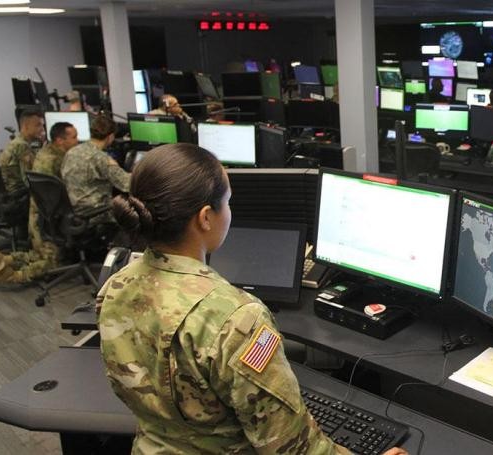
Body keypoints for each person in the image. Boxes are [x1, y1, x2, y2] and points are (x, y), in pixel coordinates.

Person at [98, 143, 406, 455]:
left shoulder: (115, 287)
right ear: (205, 218)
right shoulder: (236, 319)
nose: (230, 211)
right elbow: (292, 449)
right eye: (228, 202)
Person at [0, 122, 80, 288]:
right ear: (60, 141)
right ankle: (12, 276)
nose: (78, 141)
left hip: (37, 218)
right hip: (51, 220)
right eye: (74, 137)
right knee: (53, 263)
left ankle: (4, 258)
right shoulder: (59, 160)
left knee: (37, 254)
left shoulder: (43, 152)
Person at [61, 115, 130, 221]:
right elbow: (127, 184)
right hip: (97, 214)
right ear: (111, 136)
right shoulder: (101, 158)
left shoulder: (72, 152)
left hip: (73, 213)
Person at [0, 110, 43, 197]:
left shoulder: (16, 142)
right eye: (38, 125)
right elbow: (29, 180)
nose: (42, 129)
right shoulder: (22, 146)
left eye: (42, 125)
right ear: (26, 126)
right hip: (17, 193)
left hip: (8, 191)